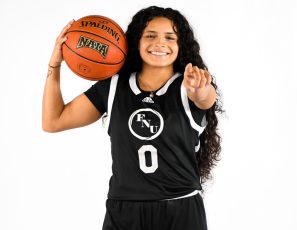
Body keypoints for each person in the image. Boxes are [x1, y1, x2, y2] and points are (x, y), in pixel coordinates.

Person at [42, 5, 223, 230]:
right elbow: (53, 121)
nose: (160, 43)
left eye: (170, 38)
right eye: (150, 35)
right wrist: (55, 64)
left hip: (180, 209)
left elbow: (206, 99)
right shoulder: (113, 87)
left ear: (180, 45)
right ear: (136, 41)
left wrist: (200, 89)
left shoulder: (189, 86)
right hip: (124, 211)